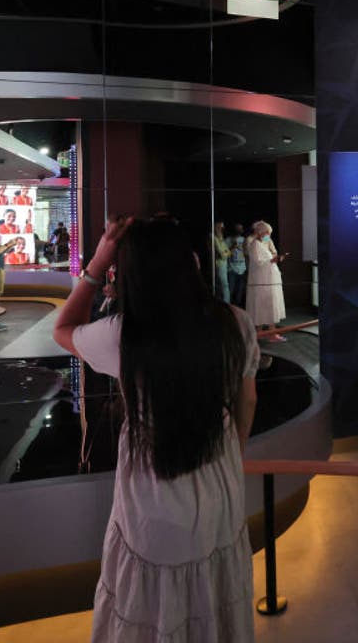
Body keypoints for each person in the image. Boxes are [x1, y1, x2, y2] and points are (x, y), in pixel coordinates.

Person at [53, 216, 259, 642]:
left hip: (152, 493)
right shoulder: (234, 322)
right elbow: (248, 400)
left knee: (153, 604)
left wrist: (96, 265)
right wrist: (232, 457)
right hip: (218, 477)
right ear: (191, 261)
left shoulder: (121, 334)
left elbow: (62, 329)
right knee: (215, 590)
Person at [246, 220, 287, 340]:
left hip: (268, 280)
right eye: (267, 233)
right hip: (262, 282)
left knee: (267, 306)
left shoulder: (263, 244)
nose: (268, 235)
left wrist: (275, 259)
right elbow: (258, 263)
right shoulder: (255, 245)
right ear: (261, 232)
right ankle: (266, 333)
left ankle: (267, 333)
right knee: (262, 305)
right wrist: (272, 260)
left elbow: (268, 257)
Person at [227, 223, 247, 308]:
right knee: (231, 289)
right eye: (237, 228)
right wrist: (233, 246)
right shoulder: (228, 239)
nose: (239, 230)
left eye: (240, 229)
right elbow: (225, 252)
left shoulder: (244, 240)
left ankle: (237, 308)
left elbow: (246, 252)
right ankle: (230, 307)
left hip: (242, 268)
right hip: (232, 268)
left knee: (240, 290)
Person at [212, 221, 231, 302]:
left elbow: (228, 253)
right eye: (220, 227)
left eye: (223, 228)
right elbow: (222, 254)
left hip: (223, 264)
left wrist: (226, 252)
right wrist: (226, 252)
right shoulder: (213, 237)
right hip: (219, 264)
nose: (222, 229)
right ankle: (226, 304)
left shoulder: (220, 238)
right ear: (216, 227)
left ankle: (225, 303)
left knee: (223, 286)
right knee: (223, 286)